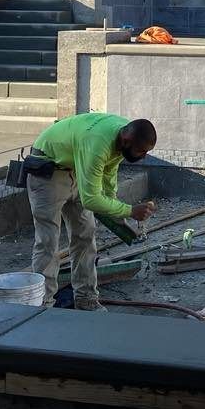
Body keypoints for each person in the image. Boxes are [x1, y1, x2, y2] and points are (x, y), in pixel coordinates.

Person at [28, 113, 158, 311]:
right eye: (141, 151)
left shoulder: (123, 135)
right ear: (126, 140)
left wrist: (115, 208)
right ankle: (43, 306)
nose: (143, 156)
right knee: (48, 242)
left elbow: (108, 173)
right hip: (47, 169)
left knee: (85, 236)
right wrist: (130, 210)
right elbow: (91, 199)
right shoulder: (97, 143)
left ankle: (86, 300)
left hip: (77, 168)